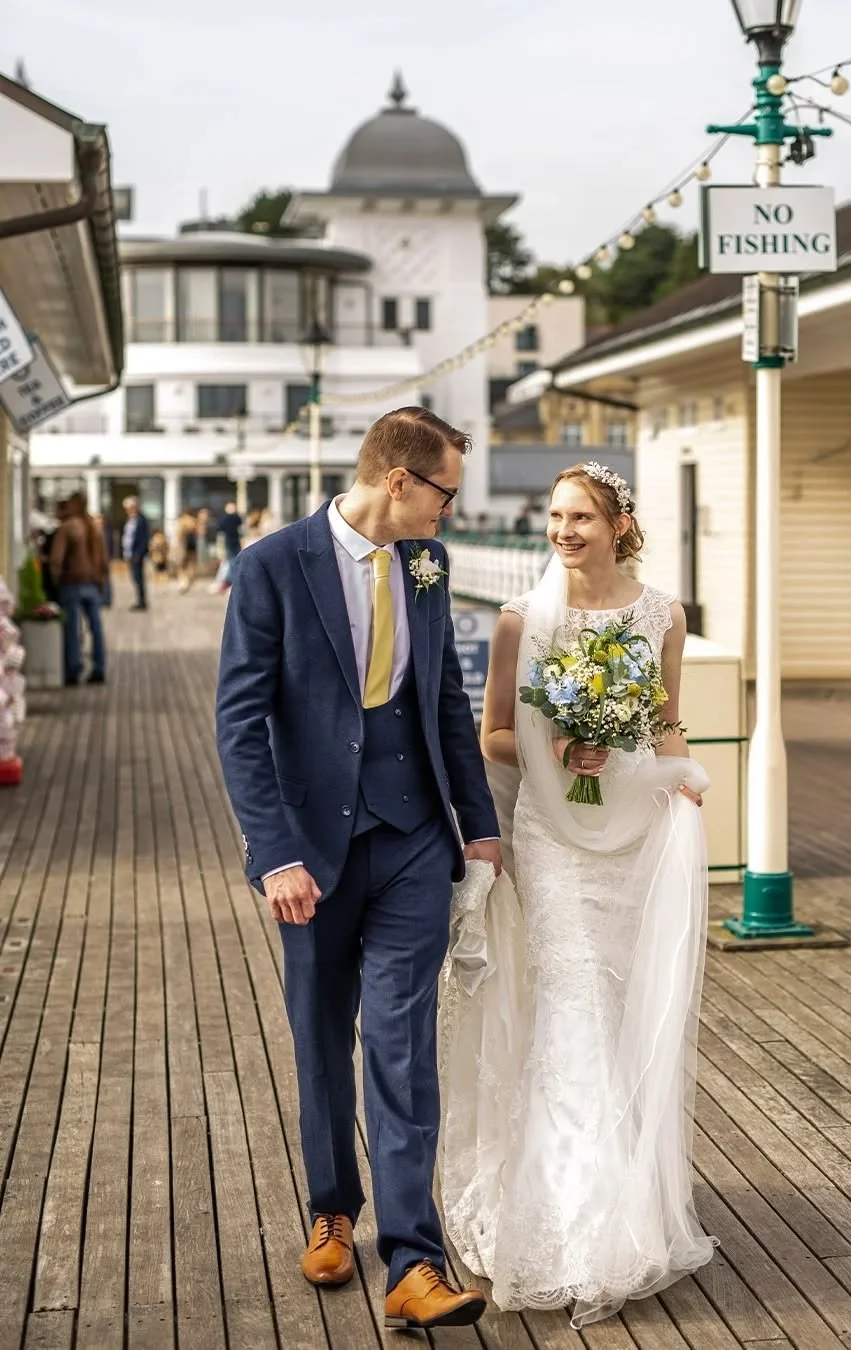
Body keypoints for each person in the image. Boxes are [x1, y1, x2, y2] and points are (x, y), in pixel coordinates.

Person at [215, 407, 502, 1331]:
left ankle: (414, 1260)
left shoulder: (428, 564)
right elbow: (240, 725)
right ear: (399, 483)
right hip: (314, 853)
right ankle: (332, 1212)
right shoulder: (270, 566)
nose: (450, 514)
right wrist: (275, 856)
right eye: (445, 494)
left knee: (401, 1042)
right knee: (319, 1038)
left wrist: (480, 826)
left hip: (416, 837)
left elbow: (444, 699)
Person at [439, 461, 714, 1327]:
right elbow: (494, 734)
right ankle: (580, 1225)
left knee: (626, 1006)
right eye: (556, 516)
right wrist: (559, 751)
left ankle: (626, 1200)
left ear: (620, 524)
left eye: (581, 517)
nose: (564, 531)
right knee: (577, 1010)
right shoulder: (524, 617)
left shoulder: (662, 614)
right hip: (554, 842)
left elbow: (666, 718)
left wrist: (670, 772)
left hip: (629, 832)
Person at [49, 492, 108, 686]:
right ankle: (99, 667)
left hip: (71, 582)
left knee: (73, 629)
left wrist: (54, 579)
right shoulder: (94, 527)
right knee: (96, 628)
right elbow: (104, 560)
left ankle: (73, 669)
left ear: (74, 504)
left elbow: (56, 559)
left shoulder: (68, 528)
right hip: (92, 582)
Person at [121, 495, 150, 610]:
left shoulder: (141, 520)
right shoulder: (130, 520)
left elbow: (144, 538)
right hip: (129, 553)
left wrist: (139, 553)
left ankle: (142, 601)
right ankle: (139, 600)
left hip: (137, 555)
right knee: (135, 578)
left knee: (139, 578)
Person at [211, 501, 243, 592]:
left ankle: (229, 582)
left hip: (229, 543)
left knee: (231, 563)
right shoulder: (236, 517)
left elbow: (219, 528)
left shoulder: (225, 518)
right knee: (233, 562)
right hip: (234, 543)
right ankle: (230, 582)